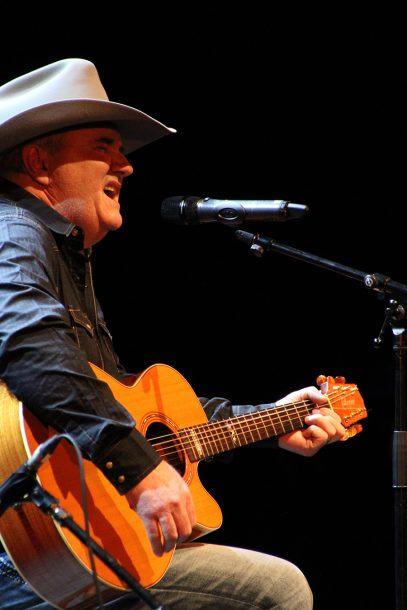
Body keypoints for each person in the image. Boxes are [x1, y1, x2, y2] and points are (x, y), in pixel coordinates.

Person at [0, 58, 346, 610]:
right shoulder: (14, 230)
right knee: (279, 591)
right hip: (31, 556)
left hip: (65, 550)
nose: (126, 167)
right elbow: (24, 343)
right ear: (40, 161)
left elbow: (130, 409)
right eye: (105, 145)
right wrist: (139, 472)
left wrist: (268, 418)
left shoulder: (66, 251)